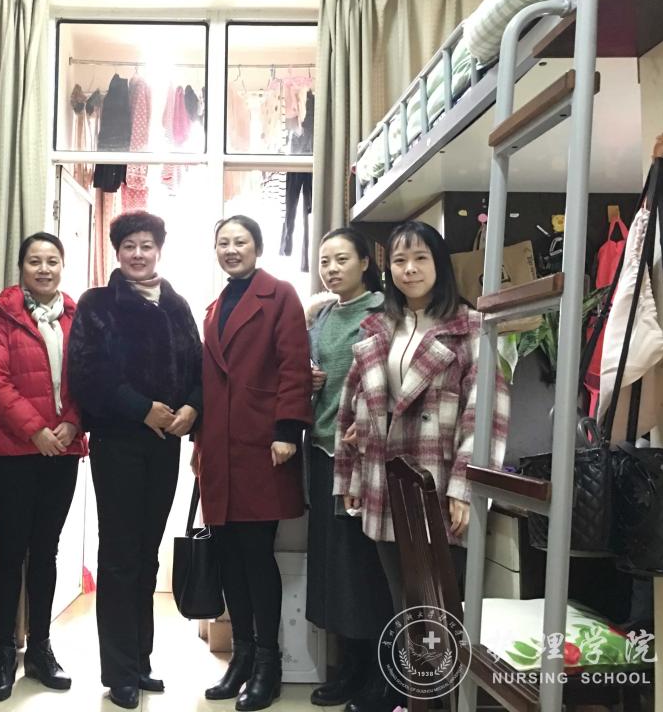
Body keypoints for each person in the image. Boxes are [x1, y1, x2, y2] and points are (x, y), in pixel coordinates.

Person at [333, 220, 509, 712]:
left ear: (439, 263)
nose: (409, 269)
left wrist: (465, 488)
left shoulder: (469, 326)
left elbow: (486, 412)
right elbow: (352, 408)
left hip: (437, 482)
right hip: (383, 482)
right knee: (402, 603)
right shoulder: (377, 328)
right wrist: (350, 476)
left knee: (439, 609)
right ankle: (415, 700)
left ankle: (441, 702)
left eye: (420, 258)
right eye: (399, 260)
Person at [67, 212, 203, 710]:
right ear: (117, 251)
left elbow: (198, 368)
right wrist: (142, 409)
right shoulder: (97, 303)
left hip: (165, 445)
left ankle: (141, 661)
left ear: (158, 250)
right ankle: (119, 671)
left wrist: (193, 408)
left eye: (146, 245)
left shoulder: (177, 304)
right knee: (120, 555)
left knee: (147, 554)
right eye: (129, 246)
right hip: (118, 443)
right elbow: (87, 374)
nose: (138, 254)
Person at [198, 214, 312, 712]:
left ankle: (269, 663)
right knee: (227, 556)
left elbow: (294, 365)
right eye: (223, 242)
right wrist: (200, 447)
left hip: (262, 445)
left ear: (257, 247)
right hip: (218, 449)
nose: (231, 249)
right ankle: (240, 657)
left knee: (256, 556)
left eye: (240, 241)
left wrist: (287, 430)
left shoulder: (279, 295)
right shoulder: (214, 305)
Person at [0, 232, 87, 703]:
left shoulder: (76, 317)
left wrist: (72, 423)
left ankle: (41, 649)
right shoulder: (3, 315)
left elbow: (86, 377)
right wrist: (35, 430)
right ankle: (5, 651)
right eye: (35, 261)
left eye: (52, 261)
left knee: (46, 552)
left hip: (63, 451)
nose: (44, 269)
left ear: (62, 266)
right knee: (10, 552)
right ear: (22, 267)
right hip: (14, 453)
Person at [304, 228, 392, 710]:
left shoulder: (383, 314)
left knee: (366, 567)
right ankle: (349, 668)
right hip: (322, 451)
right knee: (333, 568)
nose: (332, 269)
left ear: (364, 262)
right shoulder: (321, 317)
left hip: (364, 460)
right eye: (325, 261)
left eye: (341, 259)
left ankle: (380, 676)